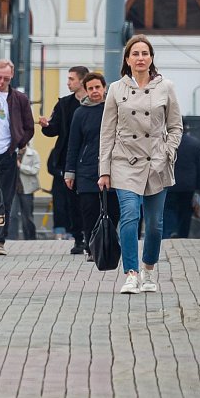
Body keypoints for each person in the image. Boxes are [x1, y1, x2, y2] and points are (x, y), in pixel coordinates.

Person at [98, 35, 182, 294]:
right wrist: (104, 170)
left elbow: (176, 126)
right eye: (135, 53)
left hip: (157, 162)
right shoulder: (115, 89)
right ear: (127, 59)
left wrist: (168, 151)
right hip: (125, 161)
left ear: (152, 58)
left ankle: (148, 269)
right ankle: (131, 273)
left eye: (145, 53)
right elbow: (107, 132)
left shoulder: (165, 87)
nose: (140, 58)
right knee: (130, 216)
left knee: (155, 224)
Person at [0, 59, 35, 253]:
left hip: (6, 154)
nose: (1, 82)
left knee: (5, 198)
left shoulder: (19, 98)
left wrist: (18, 143)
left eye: (6, 78)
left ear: (11, 78)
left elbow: (29, 126)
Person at [64, 72, 120, 260]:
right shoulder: (80, 113)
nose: (95, 91)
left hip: (113, 169)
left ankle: (109, 244)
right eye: (91, 88)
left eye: (98, 87)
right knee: (89, 211)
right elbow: (73, 144)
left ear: (105, 88)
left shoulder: (114, 109)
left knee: (113, 210)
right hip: (87, 169)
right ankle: (91, 248)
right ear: (86, 91)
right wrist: (70, 172)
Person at [40, 65, 89, 254]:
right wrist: (46, 126)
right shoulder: (64, 104)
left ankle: (91, 236)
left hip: (89, 159)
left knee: (89, 201)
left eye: (71, 79)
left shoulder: (95, 102)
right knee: (71, 202)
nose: (67, 82)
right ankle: (78, 238)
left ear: (82, 81)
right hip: (68, 160)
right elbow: (54, 130)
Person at [163, 125, 200, 239]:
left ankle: (168, 233)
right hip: (188, 186)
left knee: (168, 210)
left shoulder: (164, 142)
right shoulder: (194, 143)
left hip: (168, 184)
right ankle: (182, 235)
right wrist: (199, 189)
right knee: (186, 212)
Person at [12, 142, 40, 240]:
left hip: (27, 189)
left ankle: (30, 238)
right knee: (12, 214)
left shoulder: (33, 153)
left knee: (27, 215)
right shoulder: (11, 153)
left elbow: (35, 170)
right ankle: (11, 238)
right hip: (13, 189)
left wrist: (21, 166)